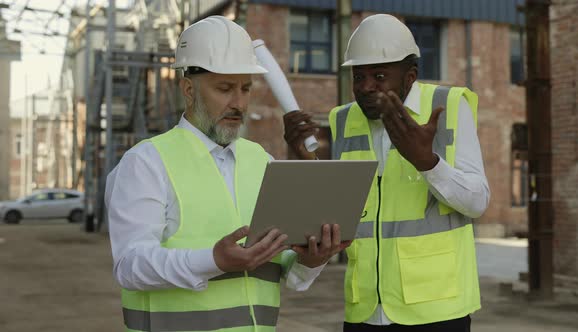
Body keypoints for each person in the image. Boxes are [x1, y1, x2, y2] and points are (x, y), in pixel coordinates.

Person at [106, 16, 349, 332]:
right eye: (225, 88)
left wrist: (311, 261)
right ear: (189, 89)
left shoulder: (261, 161)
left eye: (245, 88)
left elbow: (287, 275)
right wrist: (214, 260)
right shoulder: (147, 162)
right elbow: (130, 267)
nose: (239, 103)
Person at [284, 14, 490, 332]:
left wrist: (427, 162)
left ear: (410, 77)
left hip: (436, 313)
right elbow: (334, 216)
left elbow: (477, 202)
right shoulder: (342, 120)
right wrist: (303, 162)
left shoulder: (448, 108)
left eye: (379, 76)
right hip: (364, 312)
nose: (366, 87)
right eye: (358, 76)